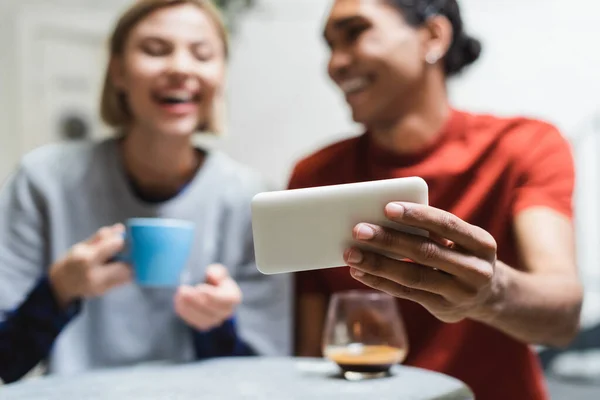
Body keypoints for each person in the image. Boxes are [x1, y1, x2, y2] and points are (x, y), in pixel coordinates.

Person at [290, 1, 581, 399]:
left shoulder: (523, 147)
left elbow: (562, 317)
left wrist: (490, 292)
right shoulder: (313, 178)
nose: (335, 63)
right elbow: (310, 354)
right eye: (329, 45)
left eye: (355, 33)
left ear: (433, 36)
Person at [0, 0, 290, 384]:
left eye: (202, 54)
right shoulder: (43, 180)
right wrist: (58, 290)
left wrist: (216, 326)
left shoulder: (252, 200)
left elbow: (265, 378)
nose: (180, 68)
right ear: (117, 70)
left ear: (220, 75)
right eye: (155, 50)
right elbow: (6, 362)